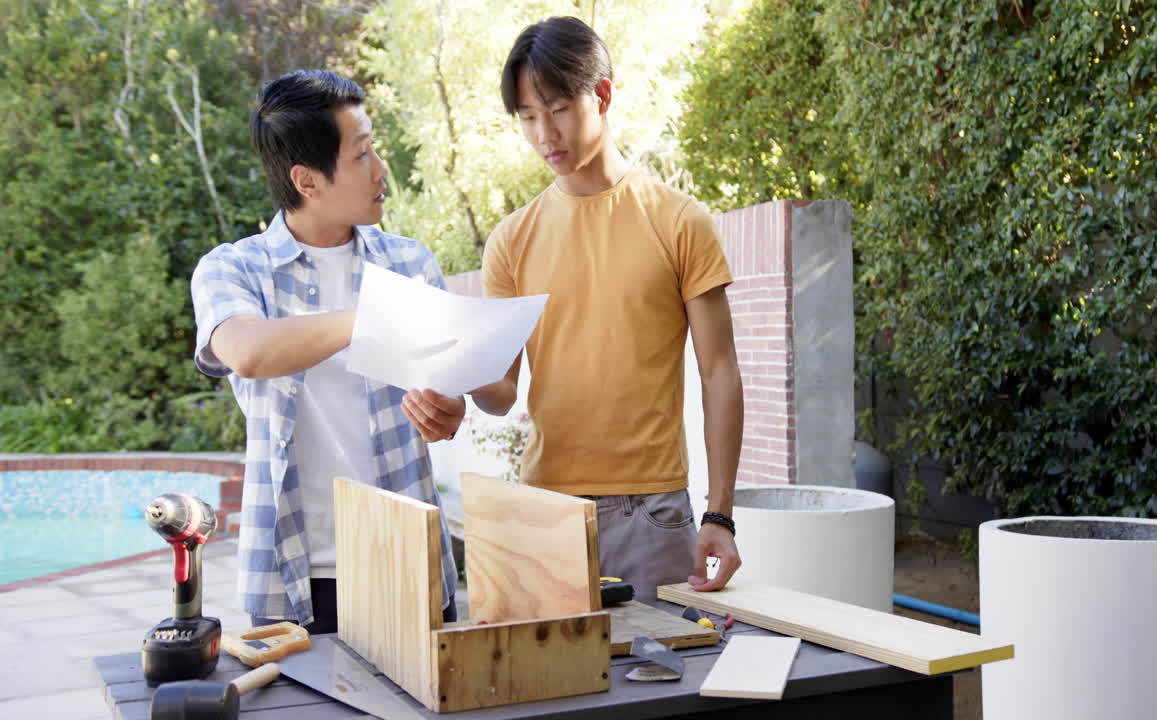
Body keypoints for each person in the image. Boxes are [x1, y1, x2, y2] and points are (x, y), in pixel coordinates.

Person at [471, 17, 745, 602]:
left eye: (558, 109)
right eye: (527, 117)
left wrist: (719, 514)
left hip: (651, 511)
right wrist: (456, 370)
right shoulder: (510, 241)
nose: (544, 133)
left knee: (663, 665)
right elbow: (500, 393)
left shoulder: (679, 220)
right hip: (545, 508)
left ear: (601, 95)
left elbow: (719, 371)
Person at [190, 69, 463, 632]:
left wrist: (448, 409)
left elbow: (448, 387)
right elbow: (248, 352)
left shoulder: (411, 264)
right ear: (307, 180)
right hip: (294, 574)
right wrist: (374, 316)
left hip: (408, 562)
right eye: (361, 155)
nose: (381, 169)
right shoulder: (233, 269)